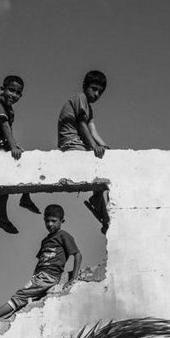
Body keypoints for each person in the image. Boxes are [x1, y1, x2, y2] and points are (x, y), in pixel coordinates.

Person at [0, 203, 81, 324]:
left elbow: (78, 255)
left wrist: (73, 278)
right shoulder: (46, 240)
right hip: (40, 276)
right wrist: (34, 277)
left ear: (62, 221)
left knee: (18, 297)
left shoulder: (64, 236)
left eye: (54, 221)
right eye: (47, 221)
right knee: (23, 300)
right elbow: (40, 261)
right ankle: (5, 320)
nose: (50, 224)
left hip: (48, 277)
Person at [0, 75, 38, 234]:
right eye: (11, 90)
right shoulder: (0, 101)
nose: (14, 95)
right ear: (3, 89)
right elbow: (4, 125)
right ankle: (23, 199)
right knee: (18, 162)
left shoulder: (9, 108)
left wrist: (15, 145)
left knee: (6, 176)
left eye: (18, 93)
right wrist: (13, 147)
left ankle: (13, 207)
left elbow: (7, 131)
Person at [58, 70, 110, 233]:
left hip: (81, 143)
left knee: (104, 169)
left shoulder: (90, 108)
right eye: (94, 89)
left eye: (100, 92)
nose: (96, 94)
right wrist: (95, 147)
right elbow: (81, 124)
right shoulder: (80, 99)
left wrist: (106, 148)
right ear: (85, 86)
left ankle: (99, 202)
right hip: (72, 143)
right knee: (99, 169)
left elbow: (93, 131)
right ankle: (98, 201)